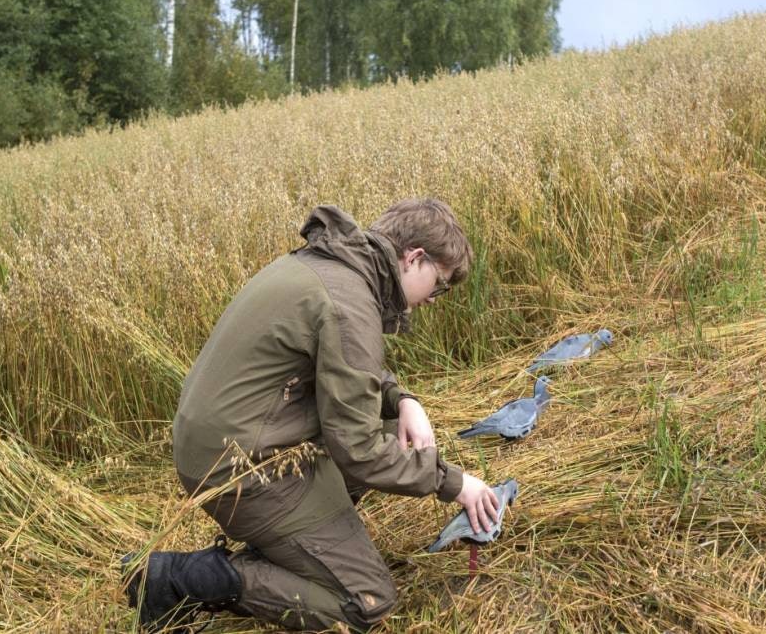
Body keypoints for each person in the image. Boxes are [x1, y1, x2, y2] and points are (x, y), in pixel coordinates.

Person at [123, 198, 500, 632]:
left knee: (397, 430)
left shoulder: (330, 267)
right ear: (414, 258)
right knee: (366, 602)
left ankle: (291, 548)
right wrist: (453, 483)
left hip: (228, 440)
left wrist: (401, 400)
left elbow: (344, 367)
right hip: (240, 469)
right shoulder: (349, 304)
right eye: (439, 285)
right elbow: (356, 448)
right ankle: (178, 580)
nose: (435, 299)